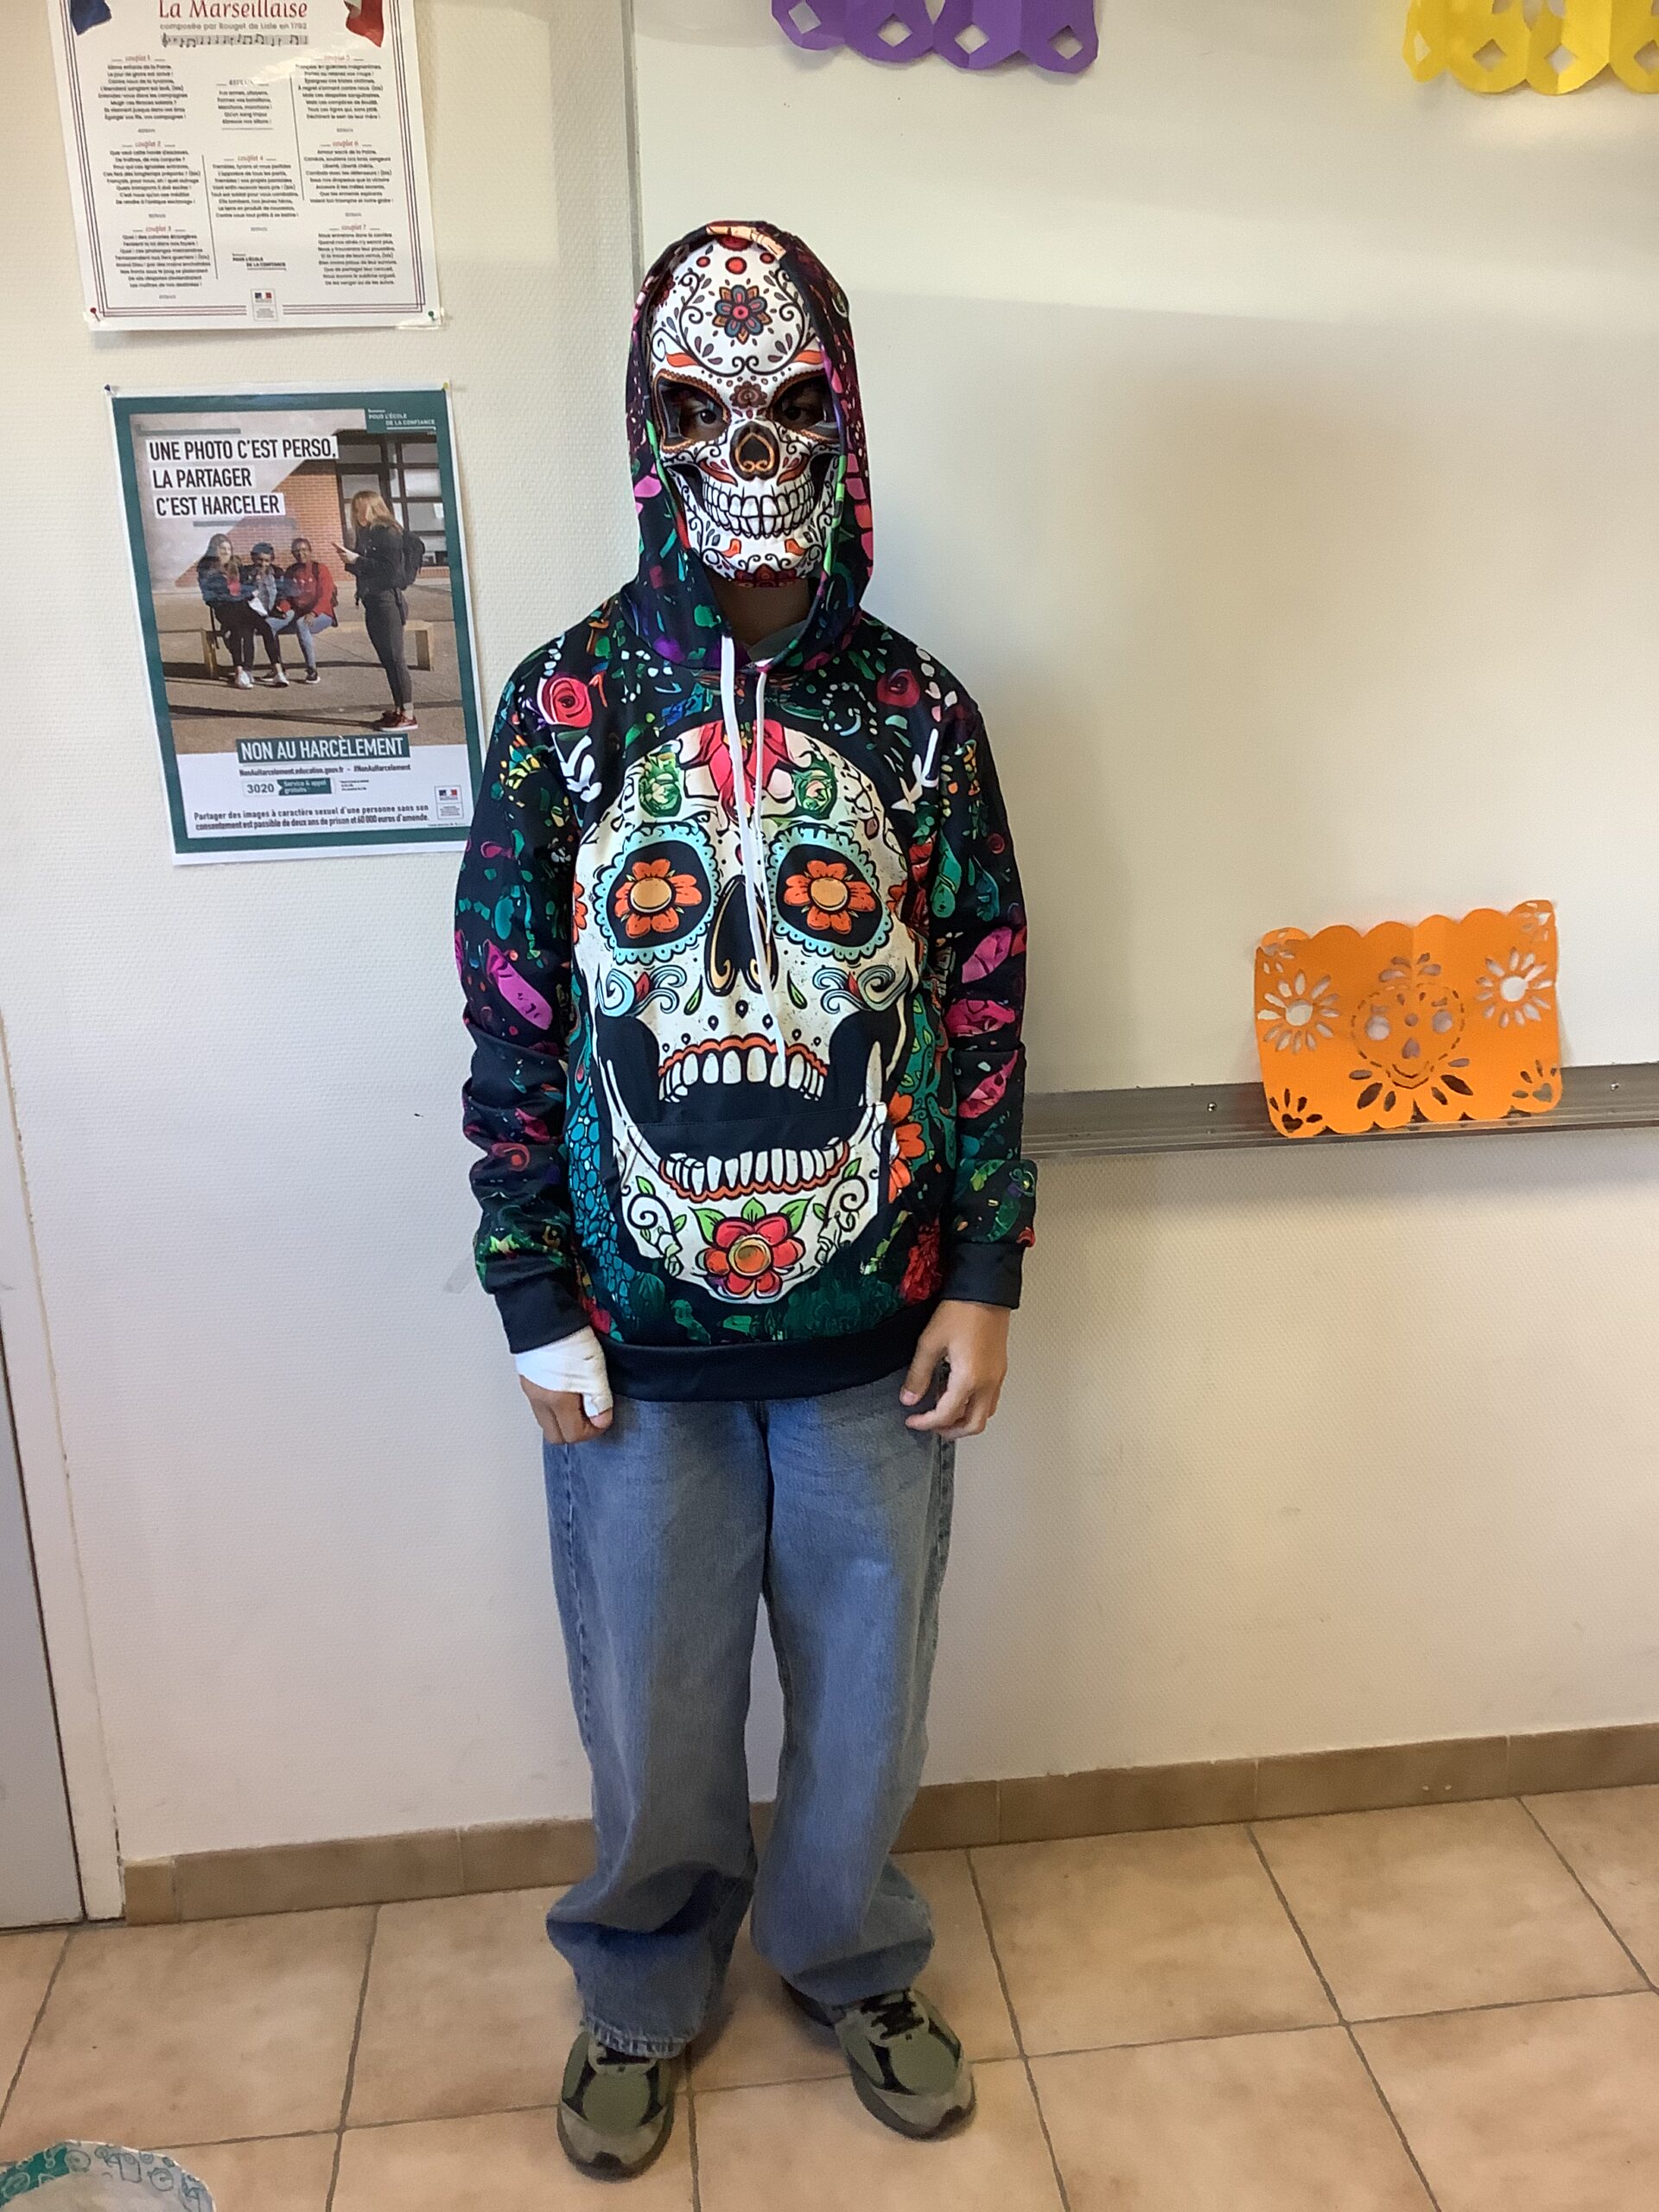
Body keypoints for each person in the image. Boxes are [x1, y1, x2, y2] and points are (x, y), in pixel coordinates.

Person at [457, 220, 1035, 2181]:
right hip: (630, 1341)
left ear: (844, 414)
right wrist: (529, 1282)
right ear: (649, 425)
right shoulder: (564, 708)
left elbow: (981, 999)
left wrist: (988, 1265)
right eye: (704, 405)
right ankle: (639, 1981)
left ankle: (850, 1951)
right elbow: (515, 1010)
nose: (750, 446)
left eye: (788, 399)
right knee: (654, 1690)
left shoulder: (921, 714)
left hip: (880, 1326)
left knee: (871, 1684)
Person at [335, 491, 416, 731]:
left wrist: (356, 560)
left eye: (361, 508)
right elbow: (369, 569)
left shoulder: (387, 532)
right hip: (373, 601)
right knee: (387, 660)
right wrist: (351, 562)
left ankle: (408, 715)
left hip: (387, 601)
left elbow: (390, 572)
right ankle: (399, 710)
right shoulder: (367, 533)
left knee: (395, 659)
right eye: (354, 508)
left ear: (373, 508)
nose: (356, 513)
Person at [194, 534, 256, 689]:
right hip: (222, 607)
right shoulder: (206, 568)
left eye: (229, 549)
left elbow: (244, 587)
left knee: (248, 627)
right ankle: (239, 671)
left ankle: (248, 669)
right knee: (236, 627)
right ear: (214, 550)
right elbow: (209, 594)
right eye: (223, 548)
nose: (226, 552)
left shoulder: (235, 566)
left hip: (239, 605)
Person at [273, 536, 336, 683]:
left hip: (322, 613)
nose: (300, 554)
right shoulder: (291, 571)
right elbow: (288, 597)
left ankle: (312, 670)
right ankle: (278, 668)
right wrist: (282, 609)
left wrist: (314, 613)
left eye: (304, 550)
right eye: (296, 551)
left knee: (302, 624)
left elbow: (325, 596)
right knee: (270, 624)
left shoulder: (320, 569)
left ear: (310, 551)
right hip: (298, 610)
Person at [240, 543, 289, 687]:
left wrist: (280, 607)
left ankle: (278, 672)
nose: (263, 564)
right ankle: (248, 671)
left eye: (267, 561)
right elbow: (241, 595)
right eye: (260, 560)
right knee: (249, 632)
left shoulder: (277, 573)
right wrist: (254, 582)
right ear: (253, 558)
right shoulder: (246, 573)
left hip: (269, 612)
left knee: (268, 629)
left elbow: (282, 594)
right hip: (249, 613)